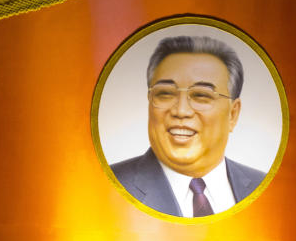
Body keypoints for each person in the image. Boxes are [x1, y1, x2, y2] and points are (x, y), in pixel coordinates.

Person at [110, 36, 265, 217]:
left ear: (233, 114)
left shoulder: (266, 187)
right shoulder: (105, 186)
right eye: (165, 93)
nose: (181, 111)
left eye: (201, 95)